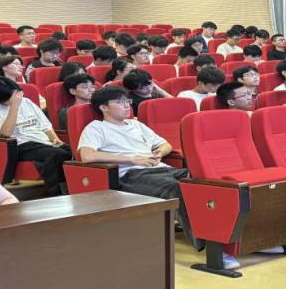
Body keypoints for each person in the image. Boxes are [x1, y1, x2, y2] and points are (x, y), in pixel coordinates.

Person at [78, 86, 213, 259]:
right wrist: (132, 160)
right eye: (119, 102)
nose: (127, 105)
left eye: (127, 101)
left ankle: (224, 232)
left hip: (161, 168)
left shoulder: (136, 124)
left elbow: (165, 145)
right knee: (177, 188)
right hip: (132, 175)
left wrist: (159, 153)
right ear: (104, 107)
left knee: (203, 179)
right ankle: (209, 246)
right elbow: (87, 156)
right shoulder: (96, 128)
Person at [0, 77, 71, 196]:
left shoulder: (27, 102)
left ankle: (70, 190)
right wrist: (14, 106)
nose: (18, 98)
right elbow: (5, 134)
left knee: (71, 153)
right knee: (56, 155)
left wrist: (55, 139)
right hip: (20, 146)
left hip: (43, 142)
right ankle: (58, 194)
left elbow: (45, 125)